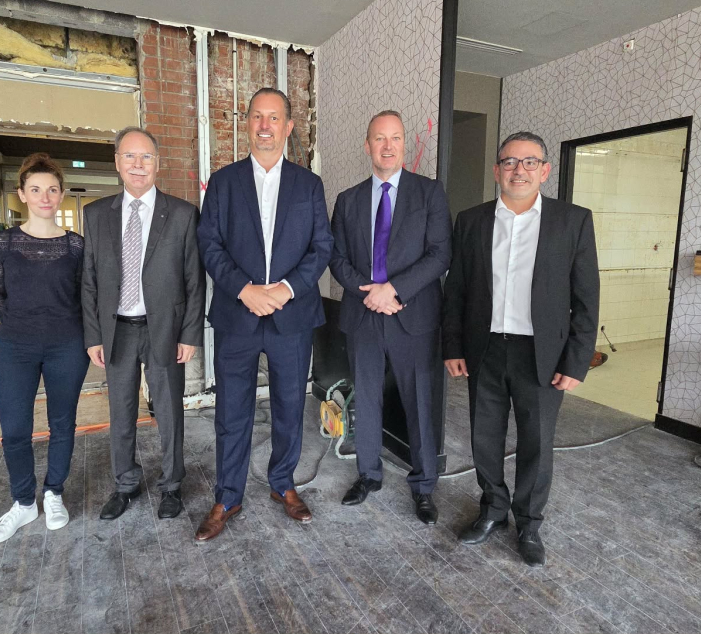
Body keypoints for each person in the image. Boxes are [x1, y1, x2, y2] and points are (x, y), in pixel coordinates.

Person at [442, 131, 599, 566]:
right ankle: (493, 508)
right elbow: (456, 291)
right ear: (497, 171)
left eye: (530, 162)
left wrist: (577, 360)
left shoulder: (572, 221)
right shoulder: (471, 221)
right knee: (484, 435)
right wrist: (452, 345)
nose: (519, 170)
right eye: (510, 162)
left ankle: (529, 522)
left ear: (545, 171)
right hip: (485, 348)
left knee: (537, 441)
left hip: (542, 354)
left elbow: (587, 297)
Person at [194, 88, 333, 543]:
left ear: (289, 126)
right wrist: (244, 289)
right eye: (257, 116)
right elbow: (209, 244)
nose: (265, 126)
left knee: (290, 408)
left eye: (274, 118)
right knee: (231, 411)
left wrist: (286, 290)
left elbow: (322, 247)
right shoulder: (223, 182)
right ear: (247, 123)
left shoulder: (308, 185)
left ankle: (283, 483)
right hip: (238, 315)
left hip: (292, 316)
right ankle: (227, 496)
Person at [329, 110, 450, 524]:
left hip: (412, 315)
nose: (387, 146)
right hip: (363, 314)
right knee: (366, 397)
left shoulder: (429, 193)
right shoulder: (348, 200)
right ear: (368, 145)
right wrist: (370, 293)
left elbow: (440, 254)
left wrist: (393, 290)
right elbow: (336, 258)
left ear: (404, 145)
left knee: (419, 401)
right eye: (379, 138)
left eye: (395, 138)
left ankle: (424, 485)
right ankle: (368, 474)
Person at [81, 126, 205, 521]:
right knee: (121, 413)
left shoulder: (182, 214)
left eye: (146, 156)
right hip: (116, 330)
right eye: (130, 156)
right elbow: (89, 280)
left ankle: (172, 486)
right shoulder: (96, 214)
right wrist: (93, 335)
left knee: (169, 413)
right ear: (117, 163)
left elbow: (194, 279)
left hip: (164, 330)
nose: (138, 164)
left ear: (157, 163)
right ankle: (125, 484)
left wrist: (190, 334)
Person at [0, 153, 90, 545]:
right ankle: (24, 502)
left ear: (61, 194)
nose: (45, 197)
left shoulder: (76, 246)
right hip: (16, 346)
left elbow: (86, 295)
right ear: (22, 194)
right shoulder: (2, 243)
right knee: (14, 428)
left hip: (67, 344)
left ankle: (54, 492)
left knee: (62, 423)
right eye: (36, 189)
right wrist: (26, 324)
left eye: (52, 189)